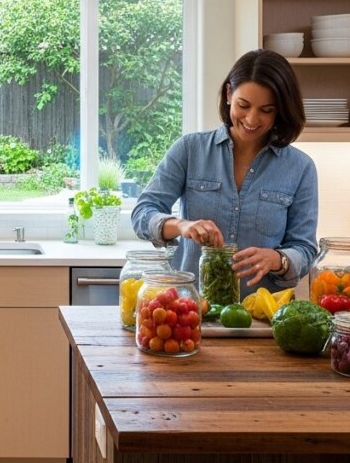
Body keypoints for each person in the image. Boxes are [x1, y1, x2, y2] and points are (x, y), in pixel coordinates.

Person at [131, 49, 318, 297]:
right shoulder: (190, 150)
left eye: (266, 110)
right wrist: (182, 225)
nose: (252, 119)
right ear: (229, 94)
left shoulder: (301, 167)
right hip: (190, 310)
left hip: (262, 317)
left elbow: (305, 248)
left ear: (280, 110)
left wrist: (278, 259)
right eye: (244, 105)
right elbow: (143, 213)